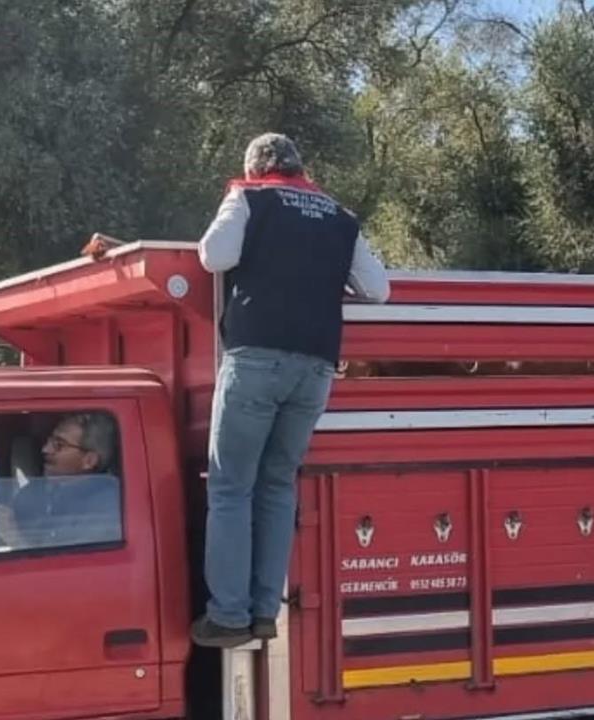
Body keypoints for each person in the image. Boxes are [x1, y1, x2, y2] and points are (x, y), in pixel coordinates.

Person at [192, 133, 390, 648]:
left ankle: (229, 616)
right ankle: (264, 612)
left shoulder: (249, 197)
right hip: (316, 369)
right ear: (301, 168)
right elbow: (379, 289)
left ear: (256, 168)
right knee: (278, 485)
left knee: (232, 486)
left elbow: (213, 257)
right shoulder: (339, 217)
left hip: (256, 358)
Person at [0, 413, 121, 550]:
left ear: (89, 460)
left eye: (59, 445)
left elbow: (69, 577)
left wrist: (17, 541)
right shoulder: (32, 494)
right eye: (50, 441)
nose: (45, 449)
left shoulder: (108, 508)